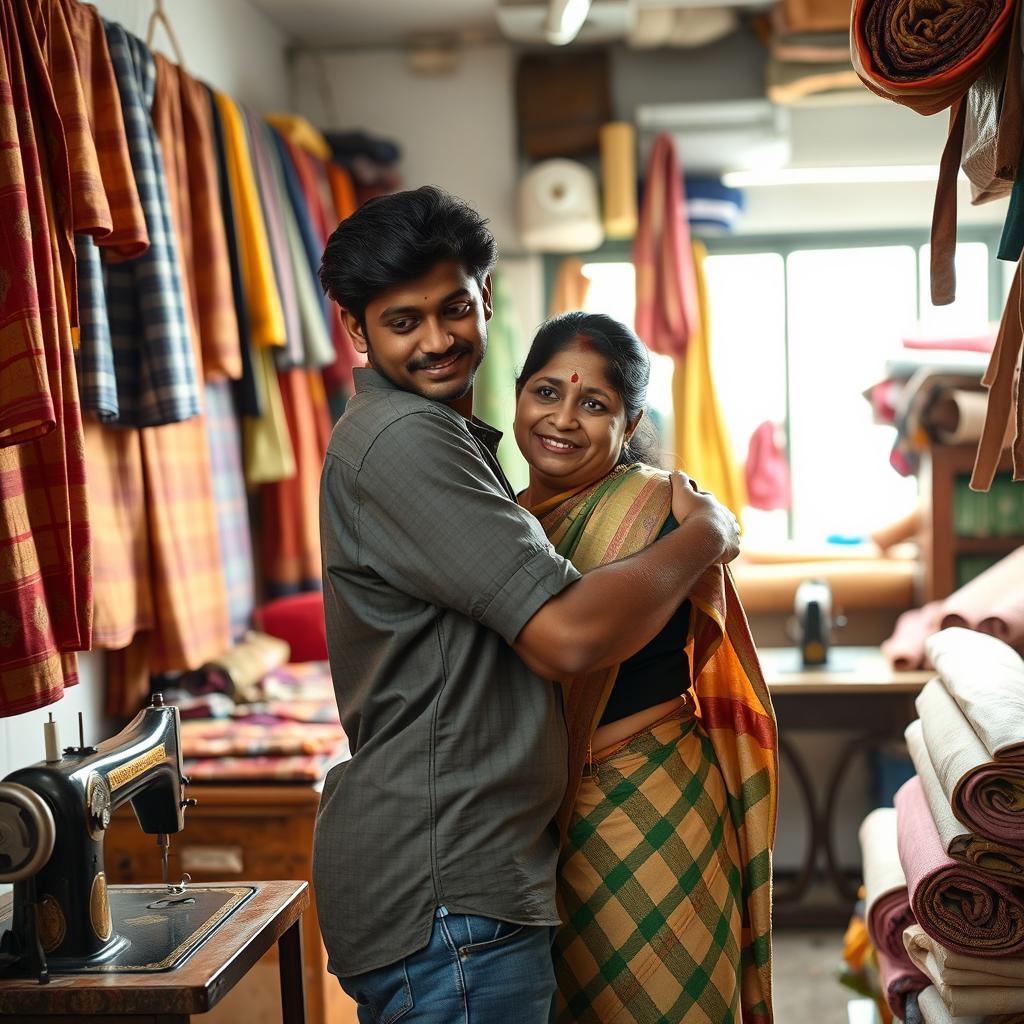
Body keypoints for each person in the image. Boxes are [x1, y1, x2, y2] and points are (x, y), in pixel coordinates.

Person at [313, 186, 741, 1024]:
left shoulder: (468, 454)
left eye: (454, 309)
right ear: (357, 331)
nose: (437, 341)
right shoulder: (405, 439)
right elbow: (566, 637)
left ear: (485, 302)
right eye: (403, 322)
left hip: (476, 876)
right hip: (451, 886)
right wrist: (710, 533)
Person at [513, 311, 778, 1024]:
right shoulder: (500, 521)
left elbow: (585, 641)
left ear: (628, 426)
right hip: (537, 827)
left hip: (652, 799)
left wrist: (710, 528)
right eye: (545, 392)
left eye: (593, 404)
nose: (562, 418)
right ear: (516, 397)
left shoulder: (663, 509)